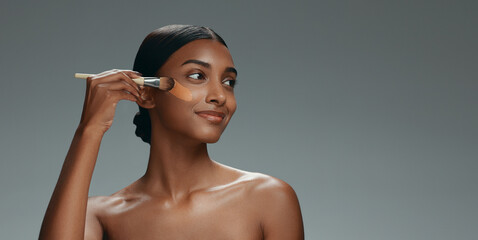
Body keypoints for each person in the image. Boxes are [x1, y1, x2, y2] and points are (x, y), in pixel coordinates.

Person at [39, 24, 304, 240]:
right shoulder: (98, 215)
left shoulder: (269, 199)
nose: (220, 96)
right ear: (146, 93)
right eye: (197, 76)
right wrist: (89, 130)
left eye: (228, 82)